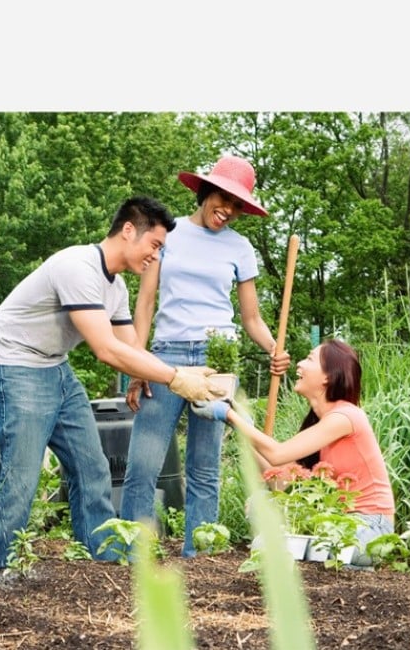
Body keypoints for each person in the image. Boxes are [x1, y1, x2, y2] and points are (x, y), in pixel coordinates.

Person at [0, 196, 224, 570]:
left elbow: (129, 347)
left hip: (54, 366)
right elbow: (107, 350)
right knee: (20, 477)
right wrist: (176, 378)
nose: (156, 257)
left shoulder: (117, 289)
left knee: (92, 468)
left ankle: (103, 562)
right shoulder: (78, 267)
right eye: (154, 245)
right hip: (12, 365)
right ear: (128, 231)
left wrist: (155, 374)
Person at [119, 155, 291, 558]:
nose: (227, 211)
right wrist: (136, 365)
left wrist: (274, 349)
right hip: (167, 358)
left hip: (218, 359)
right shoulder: (170, 235)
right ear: (205, 192)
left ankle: (200, 556)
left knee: (205, 468)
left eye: (236, 206)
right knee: (143, 463)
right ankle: (132, 552)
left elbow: (251, 318)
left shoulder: (241, 248)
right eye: (222, 199)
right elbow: (144, 305)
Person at [192, 339, 395, 565]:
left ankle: (351, 565)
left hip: (369, 530)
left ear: (328, 376)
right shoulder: (321, 423)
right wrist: (242, 429)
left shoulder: (346, 417)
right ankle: (345, 565)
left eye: (308, 359)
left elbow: (277, 454)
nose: (299, 364)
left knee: (273, 547)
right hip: (336, 525)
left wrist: (230, 415)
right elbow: (283, 481)